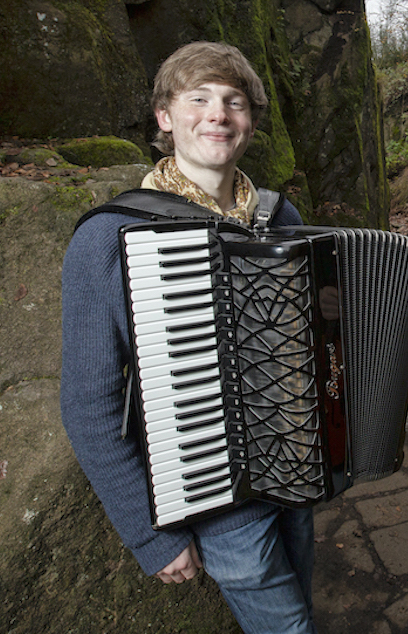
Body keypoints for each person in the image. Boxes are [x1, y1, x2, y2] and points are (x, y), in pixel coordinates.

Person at [60, 41, 317, 633]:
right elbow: (89, 404)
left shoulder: (281, 219)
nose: (217, 115)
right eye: (197, 98)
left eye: (233, 101)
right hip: (217, 504)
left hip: (296, 479)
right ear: (164, 116)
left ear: (250, 120)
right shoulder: (110, 239)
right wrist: (150, 536)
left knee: (302, 607)